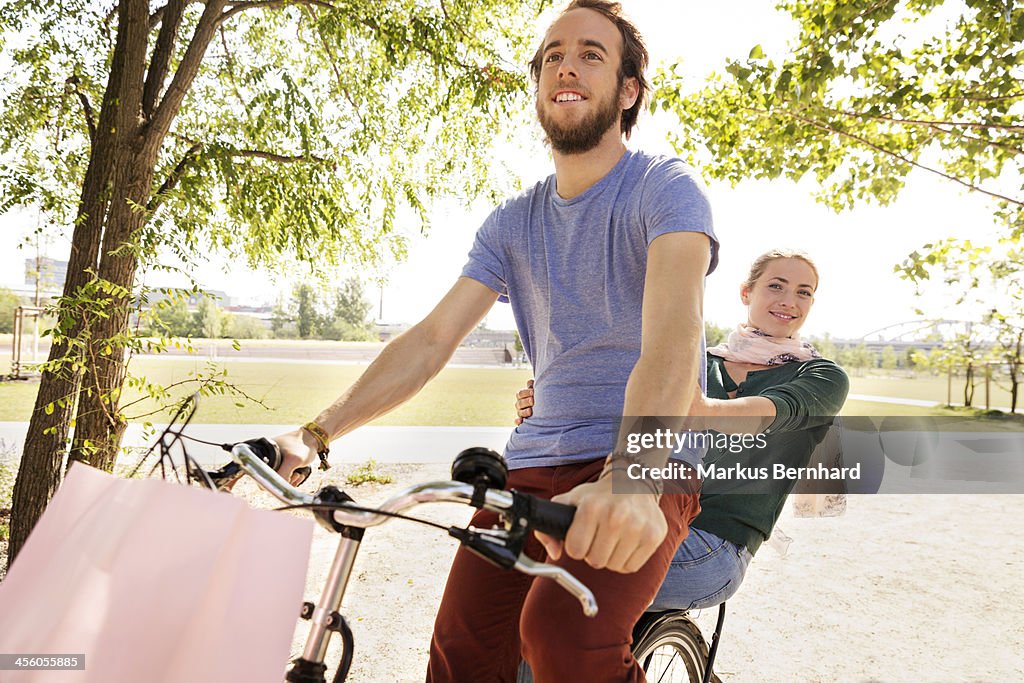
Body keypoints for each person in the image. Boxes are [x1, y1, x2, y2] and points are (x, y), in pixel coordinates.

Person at [270, 2, 719, 681]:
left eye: (592, 53)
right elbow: (430, 339)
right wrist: (314, 432)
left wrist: (631, 476)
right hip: (533, 465)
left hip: (639, 464)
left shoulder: (664, 188)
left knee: (563, 637)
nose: (566, 64)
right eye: (551, 55)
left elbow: (673, 338)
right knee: (460, 652)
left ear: (629, 91)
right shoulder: (513, 223)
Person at [515, 249, 850, 611]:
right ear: (746, 293)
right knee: (515, 553)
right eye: (776, 286)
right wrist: (546, 405)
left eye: (804, 292)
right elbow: (621, 406)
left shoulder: (821, 376)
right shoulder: (698, 360)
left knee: (563, 584)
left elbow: (763, 414)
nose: (789, 301)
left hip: (714, 544)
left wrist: (701, 409)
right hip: (646, 514)